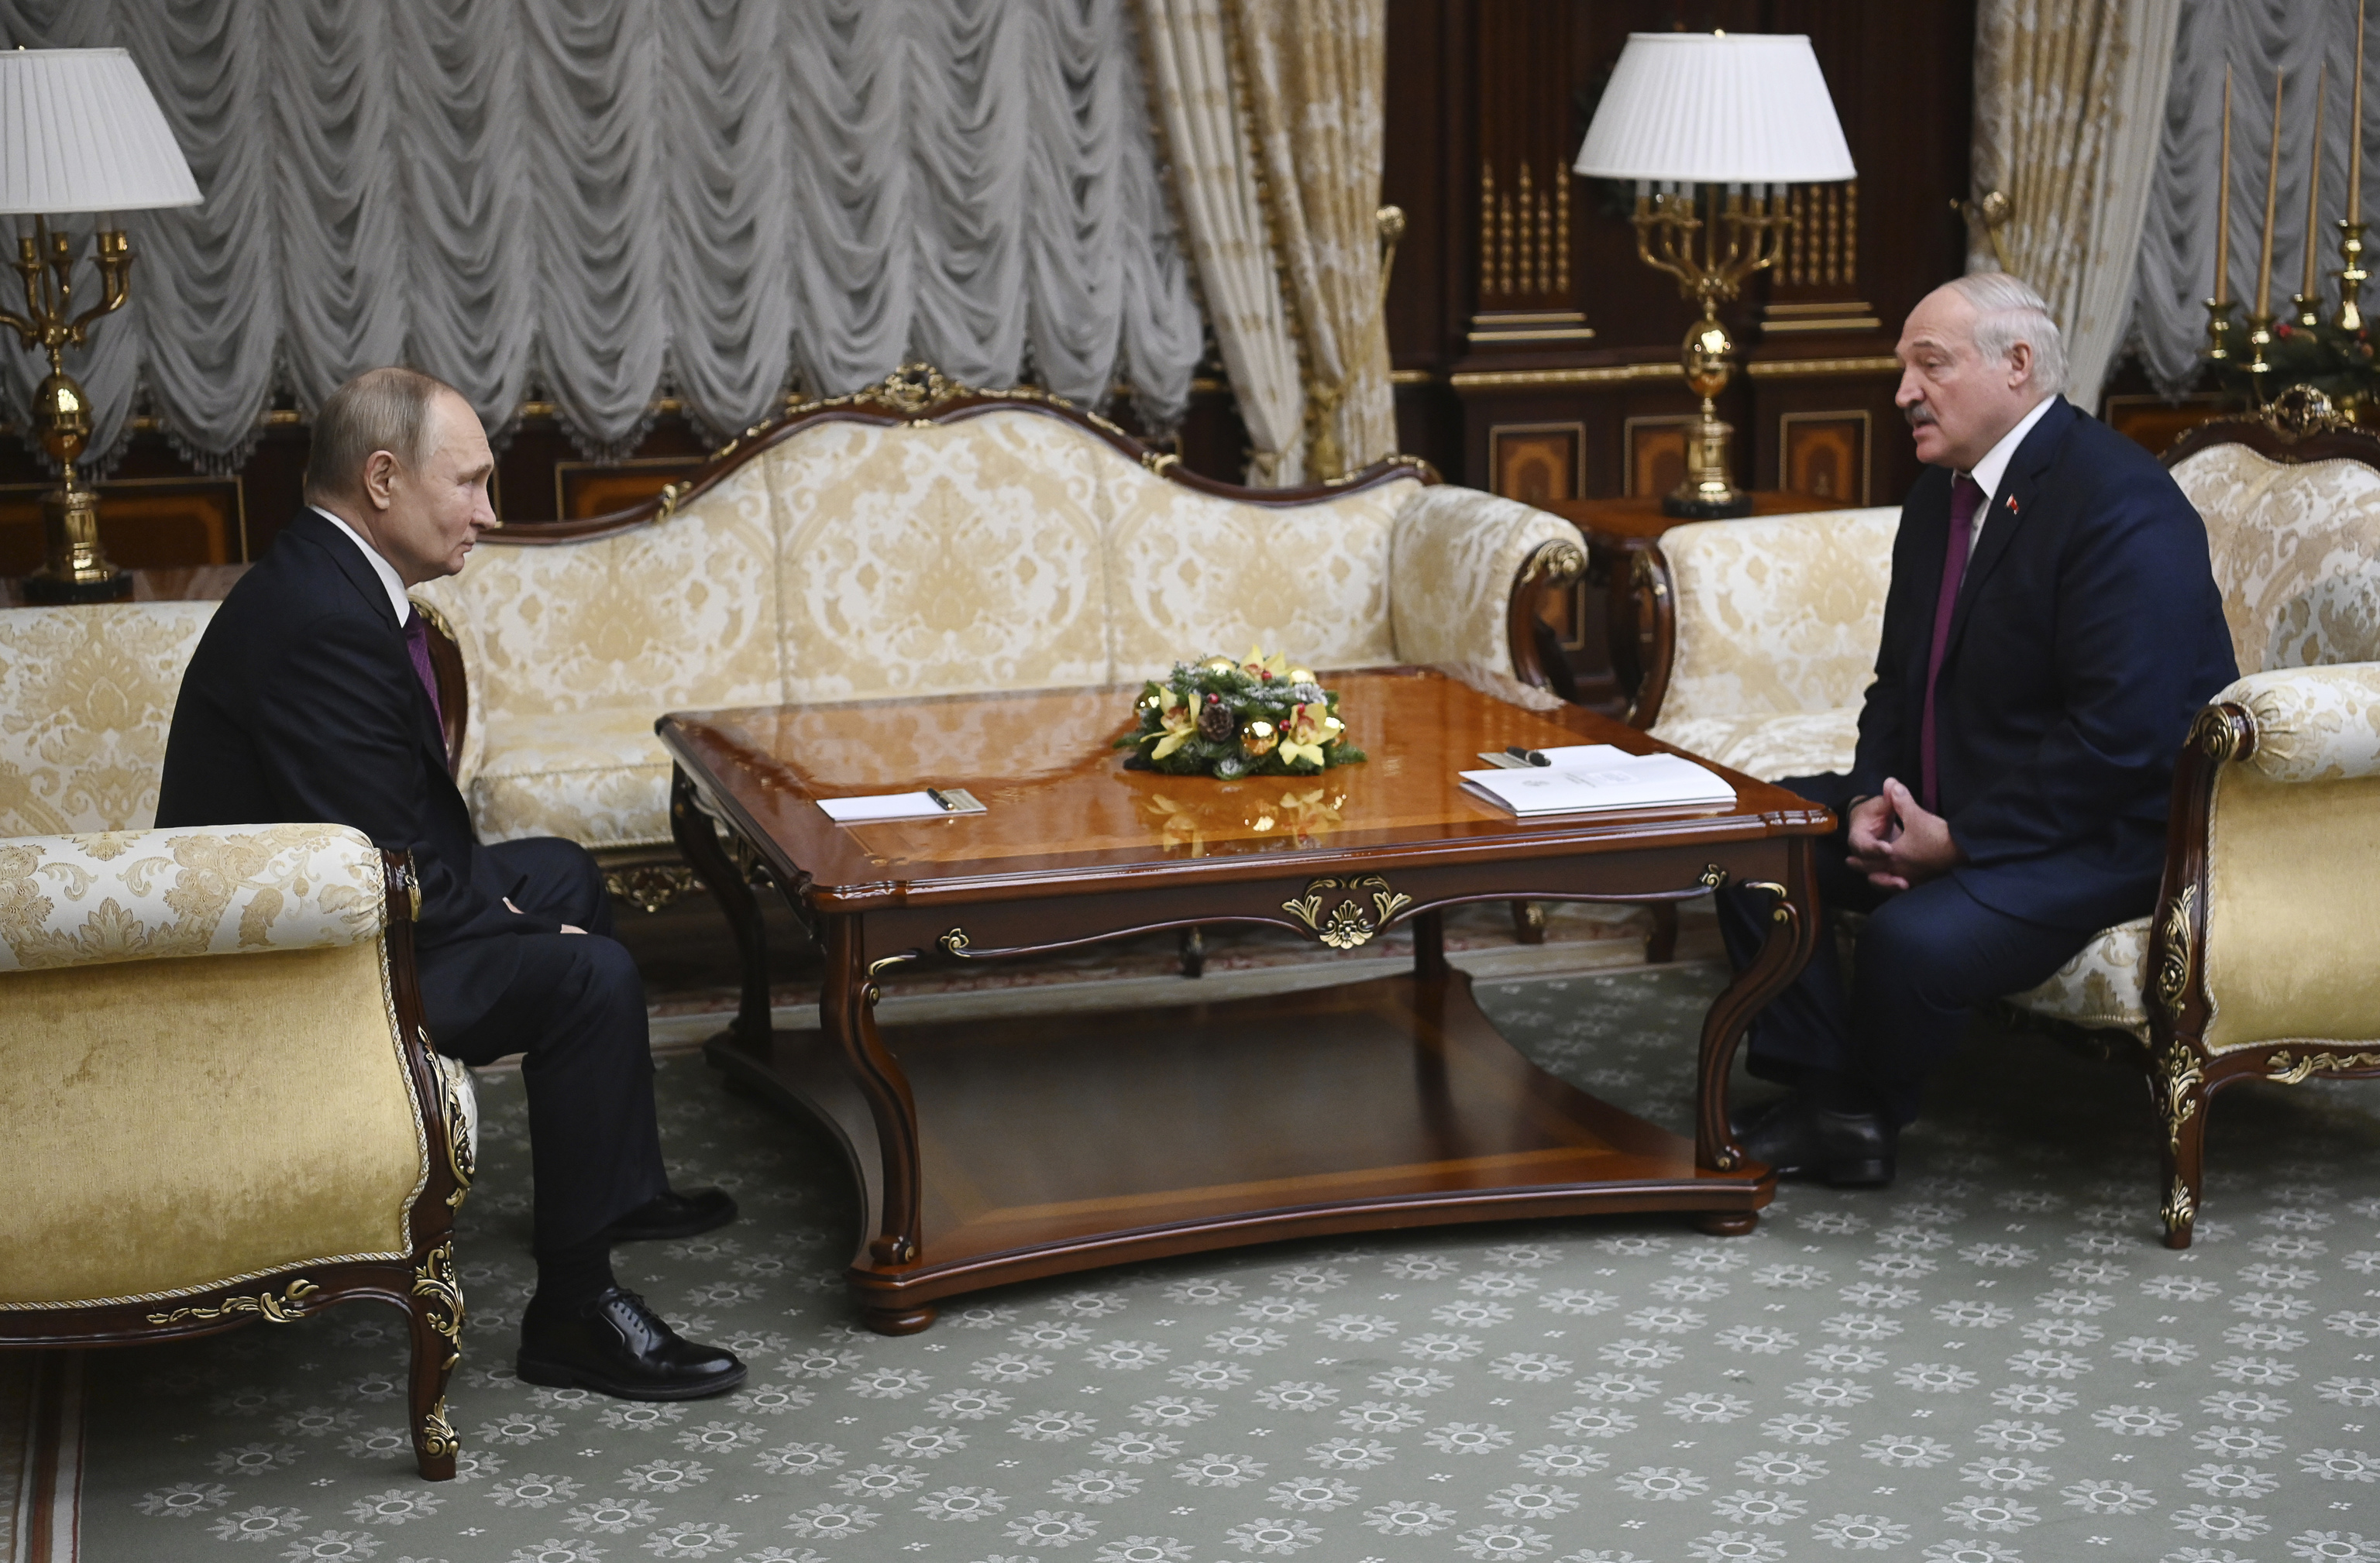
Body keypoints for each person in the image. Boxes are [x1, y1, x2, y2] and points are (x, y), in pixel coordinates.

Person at [158, 366, 747, 1400]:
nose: (489, 510)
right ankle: (572, 1311)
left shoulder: (332, 579)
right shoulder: (322, 621)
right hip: (305, 970)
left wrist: (508, 901)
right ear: (382, 479)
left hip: (340, 905)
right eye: (469, 483)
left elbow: (382, 828)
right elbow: (382, 868)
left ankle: (616, 1184)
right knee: (590, 975)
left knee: (558, 871)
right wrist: (511, 923)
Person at [1718, 273, 2238, 1185]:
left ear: (2018, 365)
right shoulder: (1941, 494)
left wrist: (1961, 841)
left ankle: (1866, 1109)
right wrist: (1877, 800)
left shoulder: (2120, 502)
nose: (1903, 393)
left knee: (1909, 942)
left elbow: (2121, 738)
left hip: (2105, 833)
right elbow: (1899, 684)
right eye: (1902, 370)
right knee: (1753, 840)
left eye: (1930, 366)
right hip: (1955, 798)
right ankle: (1829, 1100)